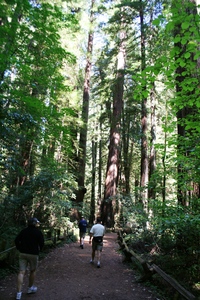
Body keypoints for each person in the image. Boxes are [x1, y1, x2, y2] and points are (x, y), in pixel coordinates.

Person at [15, 217, 44, 300]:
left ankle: (18, 294)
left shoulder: (23, 231)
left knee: (21, 272)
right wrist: (39, 250)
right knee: (33, 270)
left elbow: (16, 240)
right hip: (33, 254)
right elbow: (42, 243)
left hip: (23, 253)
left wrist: (19, 248)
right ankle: (30, 288)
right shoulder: (38, 232)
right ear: (35, 223)